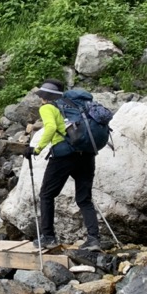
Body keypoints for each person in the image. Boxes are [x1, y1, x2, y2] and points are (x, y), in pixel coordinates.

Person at [23, 79, 101, 251]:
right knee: (84, 198)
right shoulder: (71, 105)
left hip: (64, 155)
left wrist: (36, 149)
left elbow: (51, 128)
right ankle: (94, 239)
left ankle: (48, 237)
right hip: (86, 154)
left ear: (43, 95)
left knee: (47, 195)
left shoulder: (47, 107)